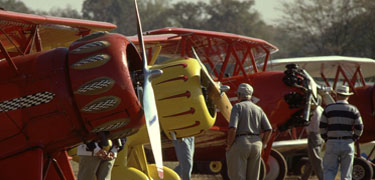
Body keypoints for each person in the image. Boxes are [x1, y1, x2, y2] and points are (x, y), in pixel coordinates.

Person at [225, 83, 272, 180]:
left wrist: (229, 144)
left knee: (238, 176)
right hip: (257, 144)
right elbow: (269, 129)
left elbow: (233, 128)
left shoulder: (237, 107)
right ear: (250, 95)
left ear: (238, 95)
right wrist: (263, 144)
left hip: (241, 142)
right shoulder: (259, 109)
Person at [320, 85, 363, 180]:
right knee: (346, 173)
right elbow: (359, 127)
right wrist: (354, 138)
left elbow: (322, 126)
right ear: (347, 96)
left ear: (336, 95)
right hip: (347, 142)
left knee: (329, 171)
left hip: (332, 141)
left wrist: (326, 138)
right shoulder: (353, 109)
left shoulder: (328, 108)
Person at [301, 96, 324, 180]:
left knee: (316, 159)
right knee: (311, 159)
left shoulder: (313, 112)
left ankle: (323, 177)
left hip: (313, 136)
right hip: (319, 136)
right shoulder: (321, 109)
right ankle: (304, 177)